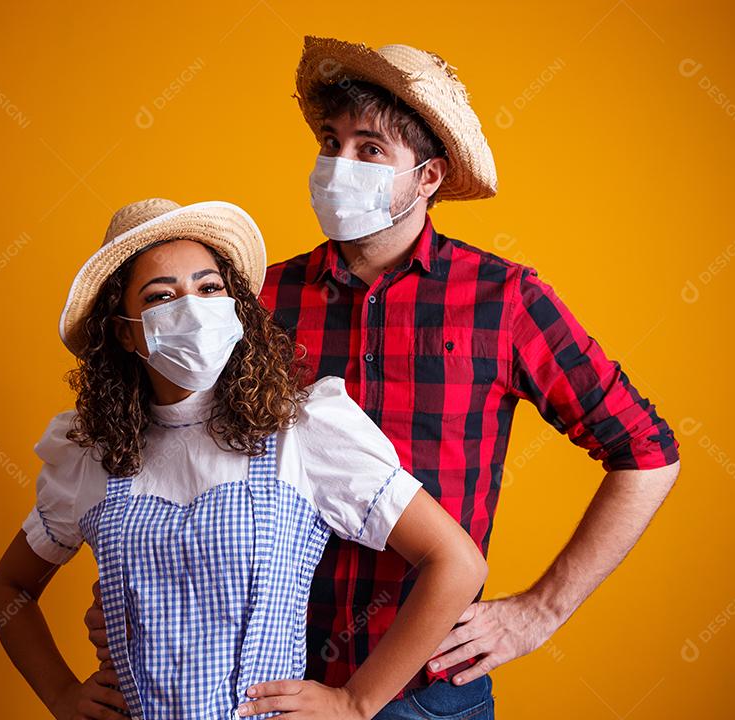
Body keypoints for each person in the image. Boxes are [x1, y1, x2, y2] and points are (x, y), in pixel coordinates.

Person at [81, 37, 682, 719]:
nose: (340, 165)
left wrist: (539, 611)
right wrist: (141, 597)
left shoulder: (503, 300)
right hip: (269, 693)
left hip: (427, 692)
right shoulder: (253, 302)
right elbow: (166, 449)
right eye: (330, 142)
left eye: (370, 150)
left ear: (428, 176)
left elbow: (646, 450)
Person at [0, 197, 489, 720]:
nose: (193, 306)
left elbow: (456, 563)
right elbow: (8, 588)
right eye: (162, 297)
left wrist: (356, 702)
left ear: (235, 307)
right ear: (125, 330)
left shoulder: (303, 432)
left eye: (209, 288)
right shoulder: (89, 455)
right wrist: (61, 695)